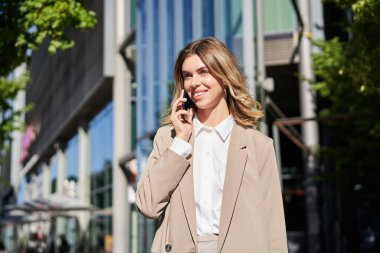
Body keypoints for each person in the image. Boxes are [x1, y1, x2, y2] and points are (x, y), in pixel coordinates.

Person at [136, 37, 288, 253]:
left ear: (224, 76)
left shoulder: (258, 145)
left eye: (203, 72)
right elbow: (147, 205)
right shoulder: (168, 138)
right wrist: (180, 142)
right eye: (187, 76)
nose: (194, 82)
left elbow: (273, 224)